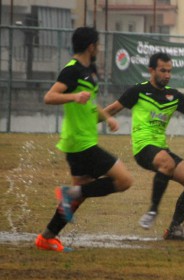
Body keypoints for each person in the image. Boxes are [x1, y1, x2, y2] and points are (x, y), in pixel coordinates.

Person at [35, 27, 133, 252]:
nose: (98, 48)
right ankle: (70, 195)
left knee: (79, 194)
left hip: (80, 141)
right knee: (124, 180)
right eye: (97, 45)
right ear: (91, 46)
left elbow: (88, 103)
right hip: (80, 143)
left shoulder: (89, 70)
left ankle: (47, 237)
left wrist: (106, 117)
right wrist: (74, 96)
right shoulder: (72, 71)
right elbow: (49, 97)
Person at [104, 52, 184, 240]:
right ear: (151, 70)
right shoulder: (138, 91)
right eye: (163, 70)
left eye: (170, 71)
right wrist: (87, 122)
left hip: (161, 149)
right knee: (167, 163)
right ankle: (152, 210)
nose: (167, 75)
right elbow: (110, 110)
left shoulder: (173, 95)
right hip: (143, 148)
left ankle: (174, 229)